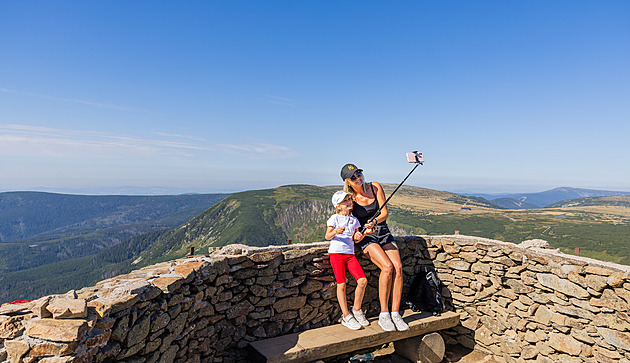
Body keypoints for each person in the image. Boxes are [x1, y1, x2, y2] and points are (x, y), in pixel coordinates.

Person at [341, 163, 410, 332]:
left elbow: (384, 212)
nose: (358, 178)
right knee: (387, 267)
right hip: (367, 238)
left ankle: (395, 313)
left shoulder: (375, 187)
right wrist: (357, 234)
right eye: (353, 177)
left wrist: (375, 221)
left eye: (359, 174)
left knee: (398, 267)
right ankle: (384, 314)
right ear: (348, 182)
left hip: (383, 232)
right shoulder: (350, 199)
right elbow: (348, 220)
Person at [325, 190, 373, 330]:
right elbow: (327, 236)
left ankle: (356, 310)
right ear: (338, 205)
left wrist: (365, 233)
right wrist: (335, 232)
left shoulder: (354, 220)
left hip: (350, 255)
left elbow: (357, 237)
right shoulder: (334, 218)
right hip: (336, 254)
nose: (349, 202)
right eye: (345, 201)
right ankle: (346, 316)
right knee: (341, 284)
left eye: (349, 200)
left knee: (362, 281)